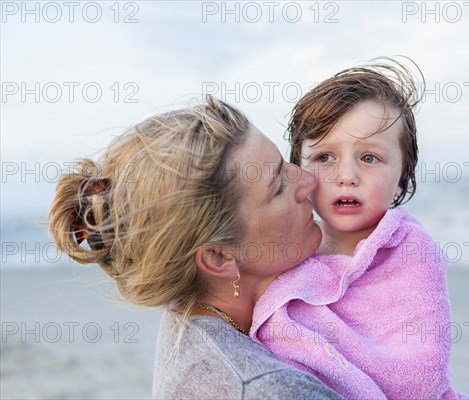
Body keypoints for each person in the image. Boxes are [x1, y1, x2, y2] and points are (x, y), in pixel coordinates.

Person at [49, 96, 344, 399]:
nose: (308, 180)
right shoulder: (267, 389)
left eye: (283, 163)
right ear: (218, 257)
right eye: (278, 185)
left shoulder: (191, 315)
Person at [250, 59, 468, 399]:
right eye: (324, 157)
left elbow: (421, 371)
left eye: (369, 158)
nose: (346, 175)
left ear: (401, 178)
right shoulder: (291, 248)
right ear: (299, 171)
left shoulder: (411, 251)